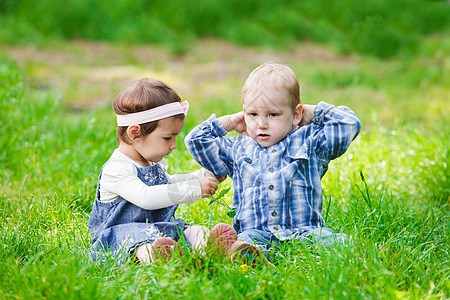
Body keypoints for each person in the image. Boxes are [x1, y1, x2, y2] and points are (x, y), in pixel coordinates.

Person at [185, 63, 361, 261]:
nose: (262, 124)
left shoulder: (311, 142)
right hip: (256, 234)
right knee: (243, 245)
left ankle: (264, 257)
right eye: (253, 114)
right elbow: (195, 140)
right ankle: (252, 257)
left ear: (295, 114)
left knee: (337, 244)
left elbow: (349, 123)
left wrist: (311, 113)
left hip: (305, 232)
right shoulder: (237, 148)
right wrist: (231, 121)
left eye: (273, 114)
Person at [88, 78, 236, 264]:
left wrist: (205, 177)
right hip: (121, 237)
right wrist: (193, 188)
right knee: (142, 243)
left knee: (192, 230)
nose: (174, 145)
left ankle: (213, 249)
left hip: (158, 229)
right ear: (135, 133)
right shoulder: (116, 169)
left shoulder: (150, 162)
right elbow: (147, 197)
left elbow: (167, 184)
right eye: (167, 138)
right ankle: (159, 258)